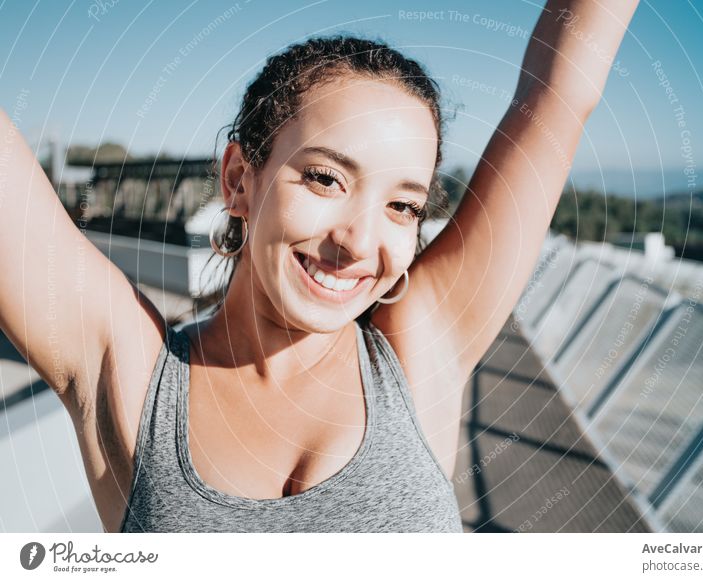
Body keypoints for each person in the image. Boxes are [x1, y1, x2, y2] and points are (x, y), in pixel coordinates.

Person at [0, 0, 638, 532]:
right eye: (327, 178)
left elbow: (560, 92)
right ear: (238, 180)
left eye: (402, 206)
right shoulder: (133, 374)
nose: (360, 241)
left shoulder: (420, 345)